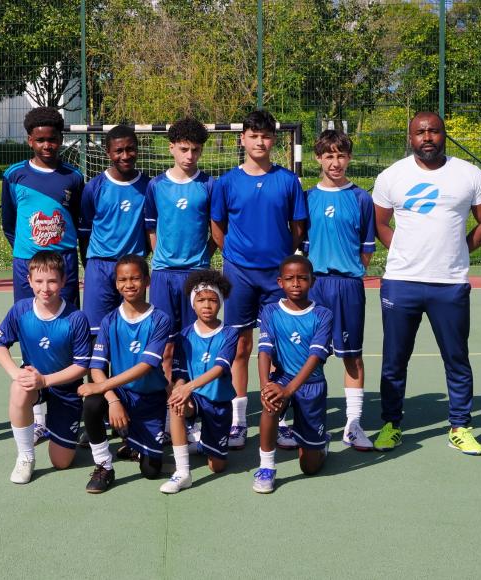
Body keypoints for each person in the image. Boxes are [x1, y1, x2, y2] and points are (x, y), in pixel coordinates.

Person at [372, 111, 481, 456]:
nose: (427, 137)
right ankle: (391, 424)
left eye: (434, 131)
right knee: (394, 360)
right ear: (410, 138)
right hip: (401, 283)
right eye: (420, 132)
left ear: (444, 134)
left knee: (456, 358)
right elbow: (381, 223)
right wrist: (401, 251)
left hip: (449, 284)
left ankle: (460, 426)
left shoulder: (469, 175)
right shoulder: (391, 177)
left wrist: (461, 249)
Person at [210, 109, 307, 450]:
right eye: (253, 136)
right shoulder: (226, 182)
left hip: (276, 277)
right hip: (238, 274)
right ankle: (238, 420)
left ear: (274, 140)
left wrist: (279, 258)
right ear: (243, 139)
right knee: (240, 346)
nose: (260, 142)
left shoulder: (288, 181)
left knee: (279, 347)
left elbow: (297, 229)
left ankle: (278, 415)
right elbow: (217, 229)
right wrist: (239, 256)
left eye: (266, 136)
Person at [1, 106, 85, 443]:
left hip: (62, 263)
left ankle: (67, 411)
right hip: (26, 266)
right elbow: (9, 223)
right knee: (31, 334)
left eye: (52, 140)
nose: (47, 146)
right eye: (40, 140)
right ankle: (37, 415)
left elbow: (79, 223)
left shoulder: (73, 177)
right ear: (29, 141)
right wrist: (30, 256)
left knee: (66, 336)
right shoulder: (14, 175)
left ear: (61, 139)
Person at [0, 252, 91, 484]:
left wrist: (45, 380)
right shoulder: (21, 310)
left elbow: (82, 366)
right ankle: (25, 456)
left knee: (61, 462)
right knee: (19, 387)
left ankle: (59, 429)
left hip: (65, 389)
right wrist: (17, 373)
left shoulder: (76, 318)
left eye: (52, 281)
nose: (45, 288)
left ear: (64, 281)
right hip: (34, 383)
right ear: (29, 280)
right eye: (39, 281)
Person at [303, 130, 375, 451]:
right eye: (329, 156)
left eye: (341, 155)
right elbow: (301, 247)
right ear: (318, 158)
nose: (335, 162)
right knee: (310, 358)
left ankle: (353, 424)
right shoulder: (308, 198)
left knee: (352, 356)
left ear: (349, 158)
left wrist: (346, 267)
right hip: (315, 286)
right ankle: (310, 420)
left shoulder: (361, 199)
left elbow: (366, 250)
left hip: (347, 286)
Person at [77, 255, 171, 493]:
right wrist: (112, 398)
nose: (129, 284)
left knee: (151, 472)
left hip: (150, 399)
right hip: (121, 397)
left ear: (147, 281)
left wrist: (100, 386)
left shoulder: (160, 319)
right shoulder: (109, 321)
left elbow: (145, 366)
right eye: (123, 279)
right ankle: (104, 466)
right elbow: (96, 367)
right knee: (92, 404)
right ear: (116, 284)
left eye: (135, 278)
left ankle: (133, 440)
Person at [254, 255, 333, 493]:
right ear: (280, 282)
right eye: (289, 279)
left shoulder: (323, 314)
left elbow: (314, 357)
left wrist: (288, 390)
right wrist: (266, 385)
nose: (296, 283)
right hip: (283, 377)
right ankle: (266, 467)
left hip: (311, 383)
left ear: (313, 281)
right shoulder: (269, 311)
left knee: (309, 467)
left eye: (302, 278)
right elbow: (264, 351)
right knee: (270, 401)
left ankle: (320, 445)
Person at [145, 117, 215, 376]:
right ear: (171, 147)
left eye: (195, 150)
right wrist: (162, 257)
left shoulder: (209, 185)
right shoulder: (156, 186)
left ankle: (193, 399)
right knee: (163, 342)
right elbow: (151, 229)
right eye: (184, 149)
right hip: (163, 274)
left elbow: (215, 231)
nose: (190, 155)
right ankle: (166, 399)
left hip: (196, 274)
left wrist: (202, 258)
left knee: (195, 339)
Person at [160, 269, 238, 494]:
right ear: (193, 304)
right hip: (194, 398)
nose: (206, 305)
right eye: (201, 300)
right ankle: (183, 472)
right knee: (176, 403)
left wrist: (188, 387)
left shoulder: (230, 333)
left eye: (212, 300)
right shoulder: (183, 335)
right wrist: (180, 389)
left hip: (218, 401)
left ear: (220, 303)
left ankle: (203, 444)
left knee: (217, 467)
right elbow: (181, 372)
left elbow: (219, 368)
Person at [78, 125, 150, 336]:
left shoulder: (149, 187)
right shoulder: (94, 187)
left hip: (133, 268)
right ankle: (98, 371)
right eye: (119, 151)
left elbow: (150, 230)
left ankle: (128, 370)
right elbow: (84, 233)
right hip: (100, 267)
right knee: (95, 332)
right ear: (108, 152)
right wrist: (90, 265)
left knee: (132, 331)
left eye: (130, 149)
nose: (125, 155)